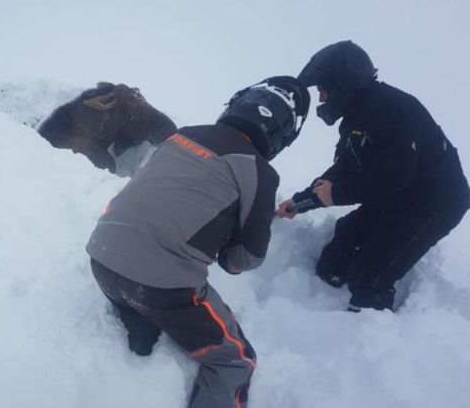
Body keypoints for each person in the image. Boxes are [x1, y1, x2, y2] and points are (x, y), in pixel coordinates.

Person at [86, 76, 310, 408]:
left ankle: (140, 328)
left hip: (101, 257)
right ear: (282, 133)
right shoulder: (260, 172)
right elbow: (243, 260)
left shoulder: (182, 135)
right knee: (235, 359)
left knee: (138, 296)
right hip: (161, 288)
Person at [276, 41, 470, 312]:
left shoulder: (393, 111)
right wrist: (301, 203)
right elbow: (346, 167)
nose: (321, 99)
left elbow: (396, 175)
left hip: (434, 202)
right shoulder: (357, 116)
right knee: (339, 248)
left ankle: (370, 331)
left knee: (369, 276)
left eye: (323, 91)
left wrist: (338, 195)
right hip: (398, 193)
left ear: (342, 84)